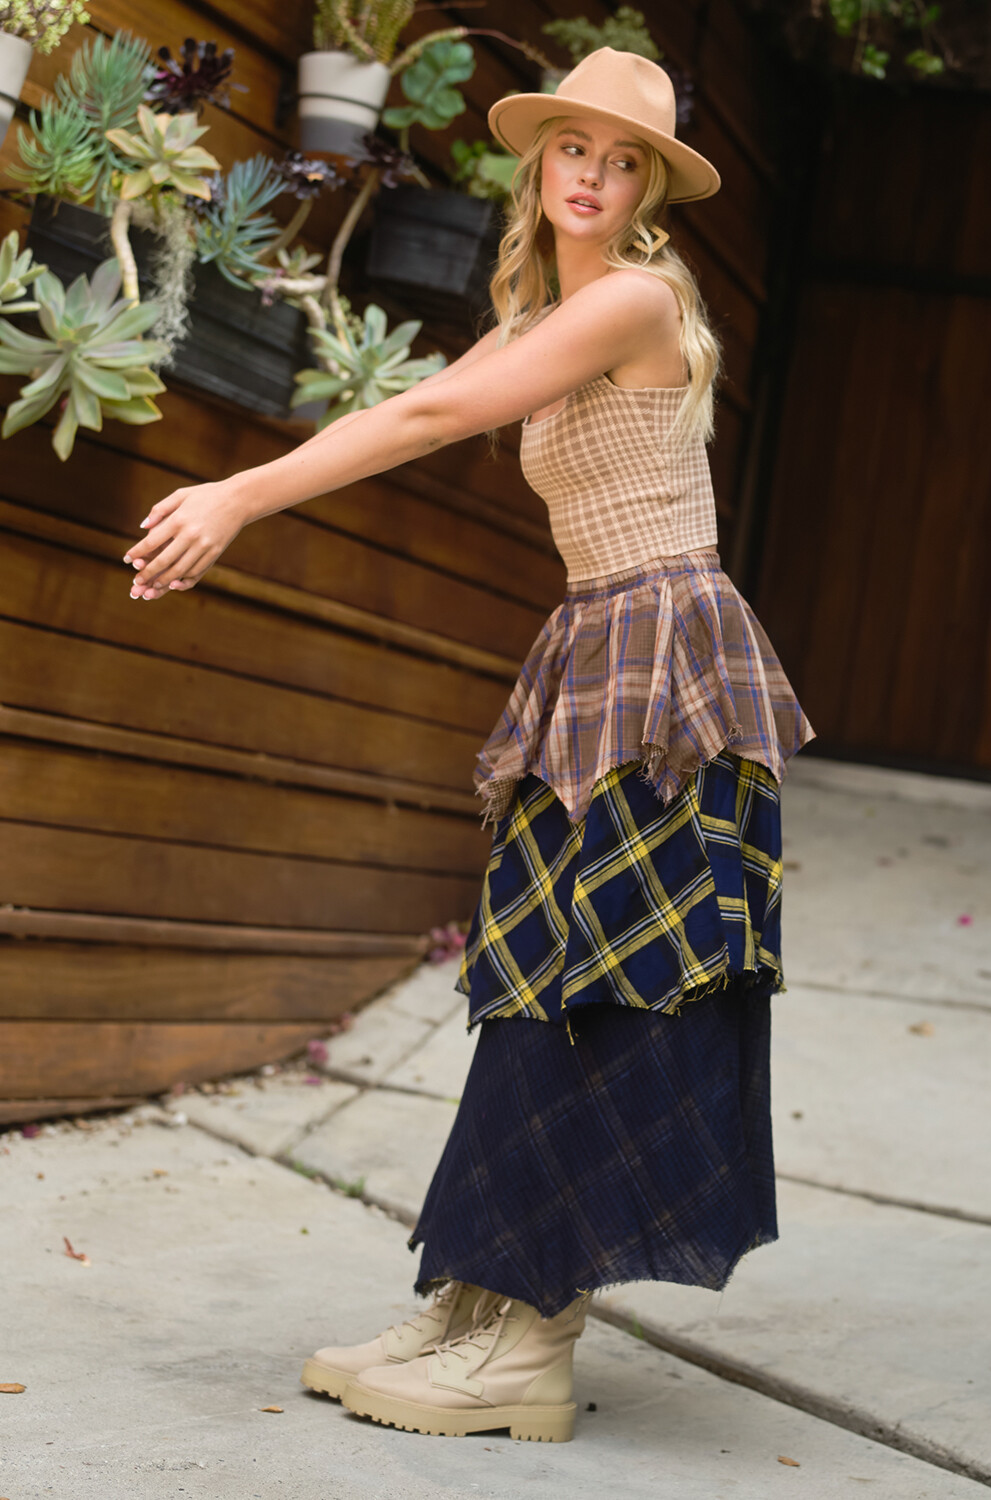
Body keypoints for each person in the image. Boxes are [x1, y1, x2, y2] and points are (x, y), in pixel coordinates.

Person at [123, 48, 816, 1444]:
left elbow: (433, 412)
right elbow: (406, 421)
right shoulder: (542, 311)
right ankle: (479, 1296)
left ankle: (530, 1340)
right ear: (540, 158)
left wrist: (240, 495)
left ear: (651, 190)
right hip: (601, 643)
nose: (594, 176)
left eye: (625, 161)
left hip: (664, 663)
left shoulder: (632, 299)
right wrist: (254, 492)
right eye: (575, 148)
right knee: (542, 977)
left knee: (609, 980)